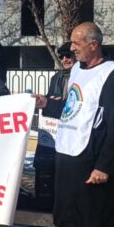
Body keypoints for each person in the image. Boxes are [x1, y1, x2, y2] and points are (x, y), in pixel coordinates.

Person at [35, 22, 114, 227]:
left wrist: (104, 165)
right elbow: (71, 107)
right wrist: (45, 104)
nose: (71, 48)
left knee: (98, 223)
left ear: (93, 44)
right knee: (78, 219)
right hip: (69, 153)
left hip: (93, 158)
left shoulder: (113, 73)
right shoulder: (76, 70)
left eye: (76, 43)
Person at [33, 43, 76, 211]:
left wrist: (54, 103)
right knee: (46, 170)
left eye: (68, 56)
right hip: (51, 134)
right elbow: (51, 101)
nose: (65, 59)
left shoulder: (79, 77)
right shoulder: (56, 78)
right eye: (62, 56)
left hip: (70, 134)